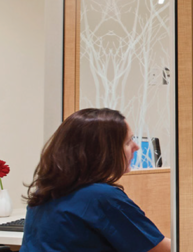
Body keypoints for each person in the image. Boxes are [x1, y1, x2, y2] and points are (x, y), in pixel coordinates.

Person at [22, 108, 171, 252]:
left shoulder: (45, 191)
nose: (136, 147)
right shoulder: (101, 197)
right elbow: (160, 249)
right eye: (127, 142)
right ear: (103, 152)